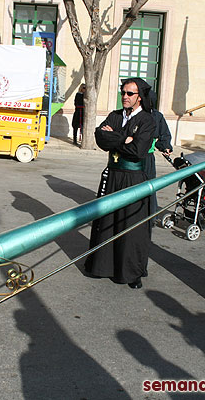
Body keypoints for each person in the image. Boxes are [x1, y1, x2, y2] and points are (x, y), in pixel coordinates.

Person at [85, 78, 156, 289]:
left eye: (130, 94)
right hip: (113, 175)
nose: (125, 96)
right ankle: (103, 267)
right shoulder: (116, 115)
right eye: (123, 92)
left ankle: (131, 273)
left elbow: (138, 151)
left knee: (131, 225)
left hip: (134, 179)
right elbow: (99, 138)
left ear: (140, 97)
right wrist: (124, 138)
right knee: (107, 220)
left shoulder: (147, 120)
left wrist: (114, 137)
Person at [144, 90, 173, 226]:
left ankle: (151, 214)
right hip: (131, 157)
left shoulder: (157, 116)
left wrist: (165, 146)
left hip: (148, 157)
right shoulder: (131, 113)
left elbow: (164, 134)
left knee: (150, 186)